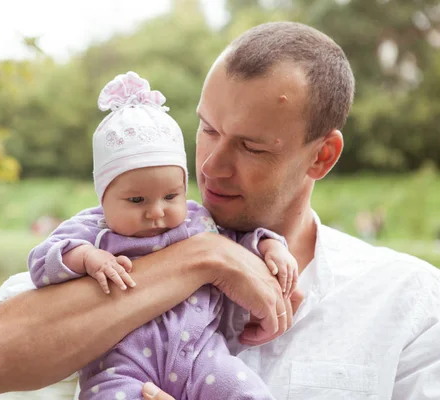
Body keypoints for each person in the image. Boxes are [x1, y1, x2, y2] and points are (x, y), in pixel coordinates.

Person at [0, 21, 440, 400]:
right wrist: (204, 258)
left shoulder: (410, 299)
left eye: (252, 148)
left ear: (322, 156)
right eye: (208, 129)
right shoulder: (103, 240)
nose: (212, 165)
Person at [26, 71, 297, 400]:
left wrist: (271, 246)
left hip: (203, 357)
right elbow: (42, 261)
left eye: (171, 197)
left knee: (245, 390)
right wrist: (86, 258)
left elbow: (241, 244)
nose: (156, 211)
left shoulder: (200, 222)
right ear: (104, 198)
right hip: (122, 367)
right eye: (137, 200)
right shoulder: (93, 230)